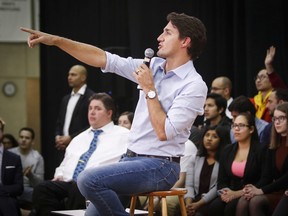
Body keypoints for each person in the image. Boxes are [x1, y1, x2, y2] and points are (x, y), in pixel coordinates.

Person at [20, 11, 208, 215]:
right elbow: (104, 59)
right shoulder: (151, 66)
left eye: (167, 32)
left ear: (185, 41)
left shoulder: (194, 85)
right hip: (130, 160)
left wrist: (149, 90)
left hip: (161, 166)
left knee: (88, 179)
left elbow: (164, 132)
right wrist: (56, 41)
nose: (159, 37)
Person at [29, 93, 130, 215]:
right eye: (90, 108)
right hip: (68, 182)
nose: (92, 112)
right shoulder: (78, 138)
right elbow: (65, 163)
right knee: (43, 189)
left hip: (96, 184)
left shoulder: (124, 135)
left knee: (80, 187)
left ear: (109, 113)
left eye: (98, 109)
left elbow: (128, 162)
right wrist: (59, 174)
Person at [236, 102, 288, 216]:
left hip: (285, 191)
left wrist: (261, 191)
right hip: (277, 190)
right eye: (275, 119)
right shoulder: (274, 144)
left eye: (282, 118)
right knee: (244, 200)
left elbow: (286, 178)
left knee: (256, 201)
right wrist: (254, 189)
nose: (277, 122)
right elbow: (268, 175)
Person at [209, 112, 264, 216]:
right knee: (214, 207)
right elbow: (221, 180)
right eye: (234, 125)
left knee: (231, 208)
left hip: (251, 193)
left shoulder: (260, 150)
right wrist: (226, 193)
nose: (236, 129)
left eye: (241, 125)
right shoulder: (227, 150)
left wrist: (238, 193)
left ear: (251, 129)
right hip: (230, 191)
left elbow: (265, 179)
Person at [185, 125, 230, 216]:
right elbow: (189, 185)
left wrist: (198, 204)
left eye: (214, 136)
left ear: (221, 140)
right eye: (207, 135)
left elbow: (218, 186)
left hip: (213, 200)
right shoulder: (194, 158)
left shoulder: (225, 160)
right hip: (194, 199)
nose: (209, 139)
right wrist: (188, 205)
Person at [54, 65, 95, 158]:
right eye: (69, 75)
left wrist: (71, 138)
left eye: (73, 75)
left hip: (82, 146)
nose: (69, 77)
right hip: (63, 147)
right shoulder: (66, 98)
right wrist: (58, 136)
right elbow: (60, 121)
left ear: (83, 77)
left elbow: (92, 124)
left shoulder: (92, 97)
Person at [9, 127, 44, 208]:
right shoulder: (10, 154)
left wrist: (30, 175)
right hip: (11, 188)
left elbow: (40, 184)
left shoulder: (37, 157)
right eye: (21, 137)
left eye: (27, 138)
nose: (23, 140)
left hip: (28, 189)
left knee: (41, 194)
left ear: (32, 142)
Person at [250, 46, 287, 123]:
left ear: (271, 79)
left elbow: (281, 88)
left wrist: (268, 65)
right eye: (257, 77)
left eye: (262, 77)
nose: (258, 80)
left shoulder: (277, 96)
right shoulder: (252, 101)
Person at [0, 117, 23, 216]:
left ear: (2, 133)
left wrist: (1, 190)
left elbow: (19, 188)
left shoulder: (14, 158)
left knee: (8, 203)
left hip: (5, 197)